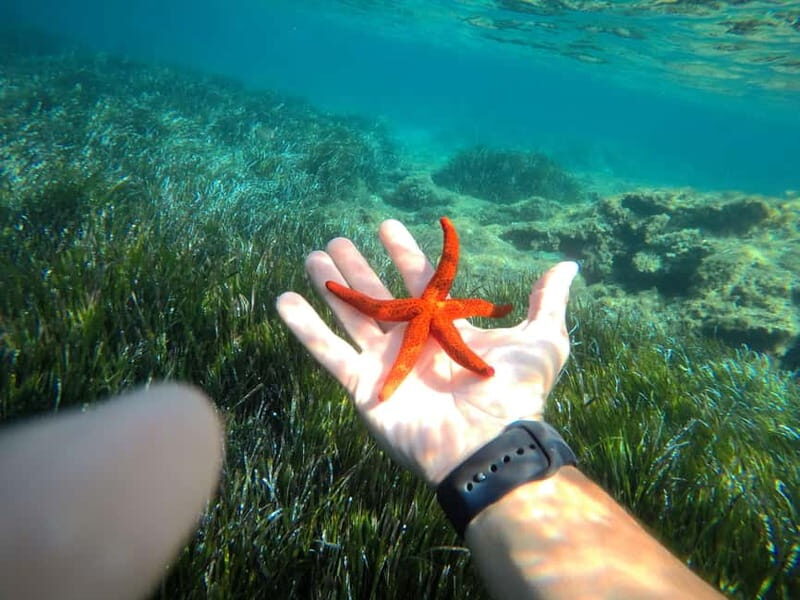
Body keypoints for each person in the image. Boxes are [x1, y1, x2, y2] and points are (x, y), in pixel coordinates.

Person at [0, 218, 722, 599]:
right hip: (469, 423)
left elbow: (446, 304)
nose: (452, 294)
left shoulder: (439, 313)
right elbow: (421, 302)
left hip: (463, 410)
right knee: (362, 298)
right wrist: (496, 447)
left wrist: (486, 420)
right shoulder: (430, 310)